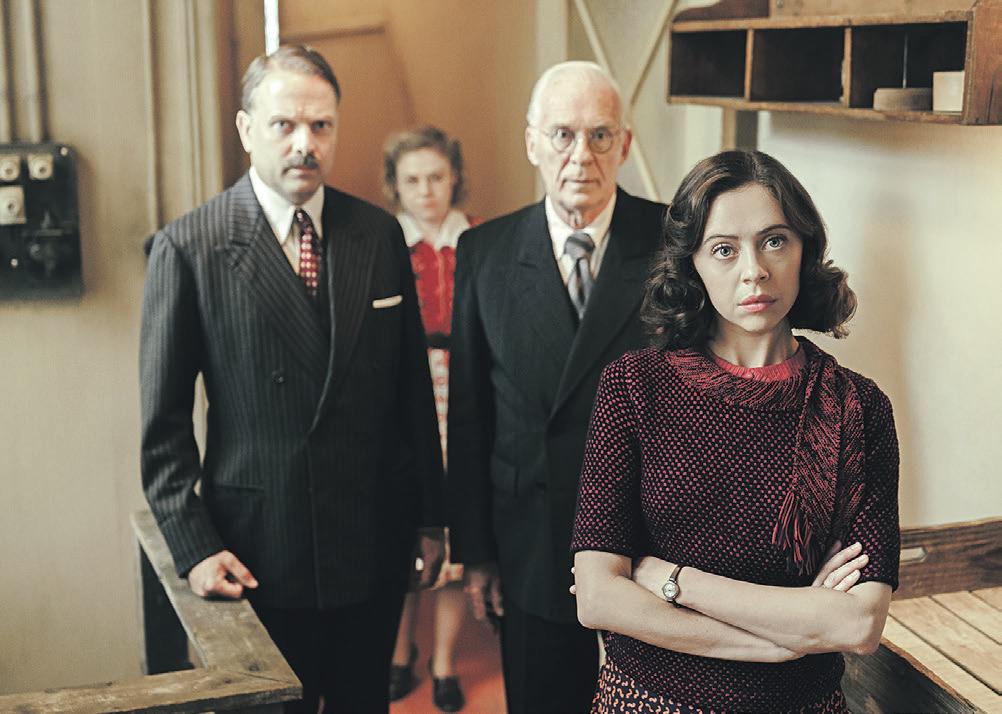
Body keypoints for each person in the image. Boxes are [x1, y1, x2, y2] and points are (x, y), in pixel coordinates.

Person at [139, 45, 445, 714]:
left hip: (370, 540)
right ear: (247, 130)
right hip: (257, 551)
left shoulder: (377, 234)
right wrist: (195, 547)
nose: (305, 143)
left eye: (321, 125)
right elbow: (163, 430)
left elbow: (411, 393)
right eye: (284, 124)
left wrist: (430, 518)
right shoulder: (190, 247)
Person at [571, 149, 900, 713]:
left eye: (774, 241)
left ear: (805, 250)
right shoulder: (633, 386)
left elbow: (857, 623)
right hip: (648, 702)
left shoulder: (859, 408)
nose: (754, 270)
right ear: (693, 265)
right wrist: (784, 641)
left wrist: (674, 580)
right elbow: (599, 597)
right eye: (724, 249)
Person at [447, 61, 668, 713]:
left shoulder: (673, 242)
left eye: (600, 135)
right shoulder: (484, 252)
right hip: (530, 538)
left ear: (625, 145)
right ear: (532, 142)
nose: (581, 155)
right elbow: (470, 415)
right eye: (563, 135)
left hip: (650, 540)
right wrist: (477, 554)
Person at [382, 125, 479, 713]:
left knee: (455, 530)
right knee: (404, 525)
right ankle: (398, 654)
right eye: (412, 179)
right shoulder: (385, 242)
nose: (425, 190)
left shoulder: (476, 240)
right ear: (395, 185)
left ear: (454, 178)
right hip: (405, 395)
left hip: (462, 392)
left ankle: (444, 661)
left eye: (436, 177)